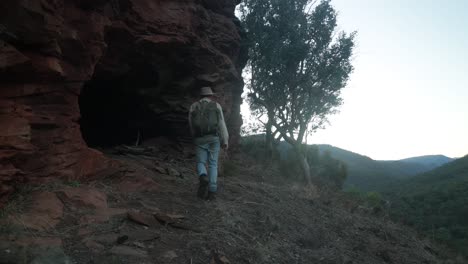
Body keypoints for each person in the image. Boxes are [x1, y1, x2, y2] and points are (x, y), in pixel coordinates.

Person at [188, 87, 229, 201]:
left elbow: (191, 124)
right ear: (210, 95)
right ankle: (212, 191)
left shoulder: (193, 106)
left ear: (201, 96)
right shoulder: (216, 106)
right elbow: (221, 124)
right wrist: (225, 140)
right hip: (214, 139)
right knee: (213, 164)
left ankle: (203, 176)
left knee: (201, 162)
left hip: (199, 139)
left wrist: (194, 137)